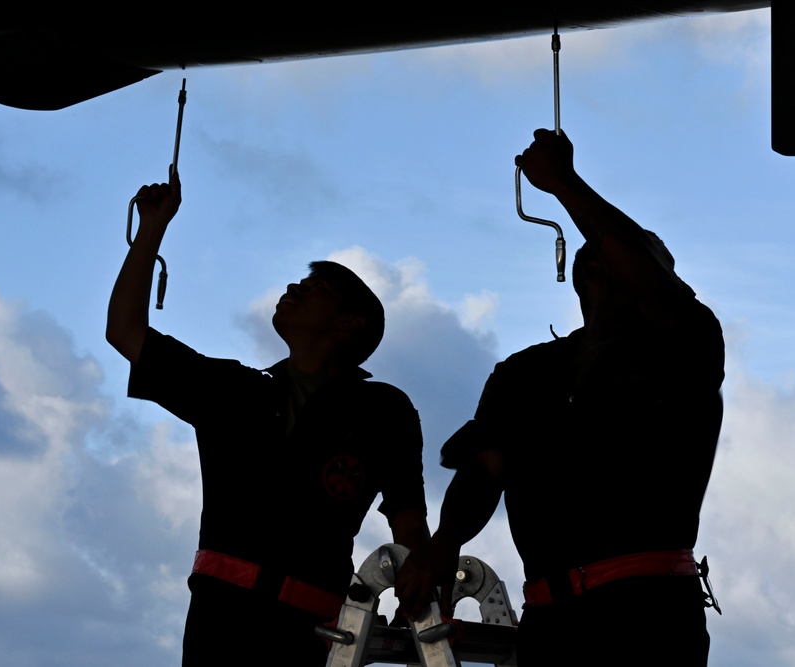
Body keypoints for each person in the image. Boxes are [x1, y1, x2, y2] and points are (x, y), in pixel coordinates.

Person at [395, 130, 724, 665]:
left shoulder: (686, 349)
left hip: (651, 614)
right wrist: (444, 544)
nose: (609, 260)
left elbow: (650, 281)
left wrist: (565, 184)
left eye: (630, 254)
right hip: (549, 622)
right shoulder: (523, 372)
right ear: (578, 277)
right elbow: (485, 468)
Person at [107, 166, 429, 666]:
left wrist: (419, 589)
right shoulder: (232, 390)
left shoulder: (384, 410)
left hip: (313, 637)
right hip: (217, 626)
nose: (293, 288)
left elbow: (409, 519)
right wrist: (153, 228)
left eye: (315, 286)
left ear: (350, 323)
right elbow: (125, 331)